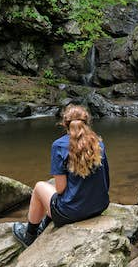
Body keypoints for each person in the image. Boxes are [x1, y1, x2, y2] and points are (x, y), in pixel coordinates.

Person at [12, 104, 110, 247]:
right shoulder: (99, 143)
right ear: (87, 122)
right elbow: (106, 180)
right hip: (99, 206)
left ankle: (30, 236)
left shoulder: (59, 145)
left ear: (65, 123)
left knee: (40, 187)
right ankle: (46, 222)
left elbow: (60, 190)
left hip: (71, 214)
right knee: (54, 187)